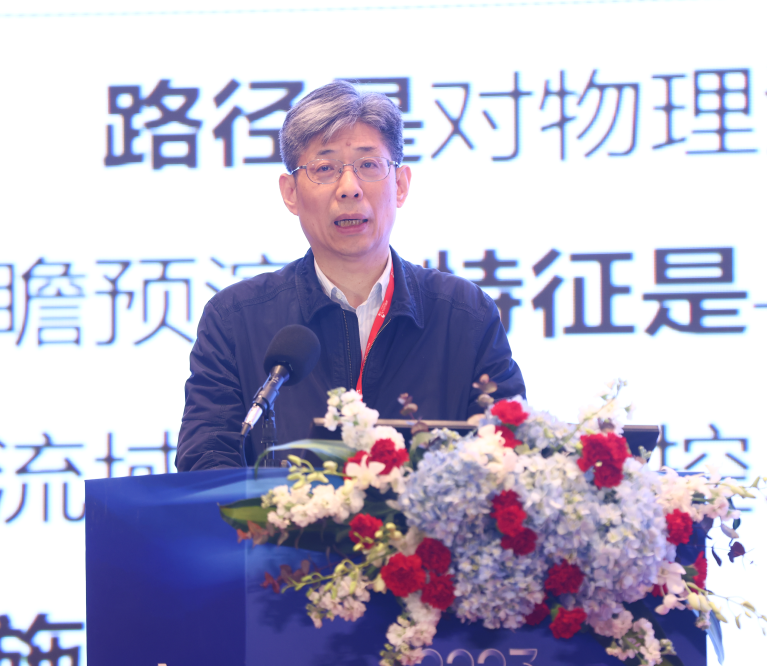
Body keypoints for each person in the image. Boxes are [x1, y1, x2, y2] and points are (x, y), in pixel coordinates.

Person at [175, 80, 525, 472]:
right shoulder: (235, 320)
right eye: (324, 169)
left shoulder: (465, 316)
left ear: (401, 185)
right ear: (290, 193)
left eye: (368, 165)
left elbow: (511, 457)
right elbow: (204, 462)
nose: (349, 188)